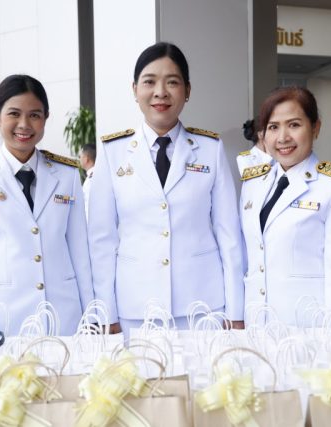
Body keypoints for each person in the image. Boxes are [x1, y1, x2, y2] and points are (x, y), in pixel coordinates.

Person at [88, 42, 245, 334]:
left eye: (172, 82)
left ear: (187, 90)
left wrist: (236, 310)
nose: (160, 92)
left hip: (202, 307)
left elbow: (228, 234)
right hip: (135, 309)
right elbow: (101, 241)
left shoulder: (210, 149)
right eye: (149, 82)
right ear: (135, 89)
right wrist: (106, 312)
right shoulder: (112, 152)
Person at [0, 74, 94, 335]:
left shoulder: (67, 174)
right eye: (14, 114)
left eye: (35, 115)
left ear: (46, 118)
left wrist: (90, 318)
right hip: (3, 323)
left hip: (64, 319)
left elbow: (80, 252)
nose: (24, 125)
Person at [240, 86, 331, 325]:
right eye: (273, 127)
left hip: (307, 326)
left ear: (315, 128)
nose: (282, 137)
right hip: (256, 322)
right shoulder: (253, 183)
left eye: (294, 125)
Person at [79, 143, 96, 221]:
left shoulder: (92, 179)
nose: (79, 159)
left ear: (86, 159)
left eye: (80, 157)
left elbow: (89, 207)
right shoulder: (92, 176)